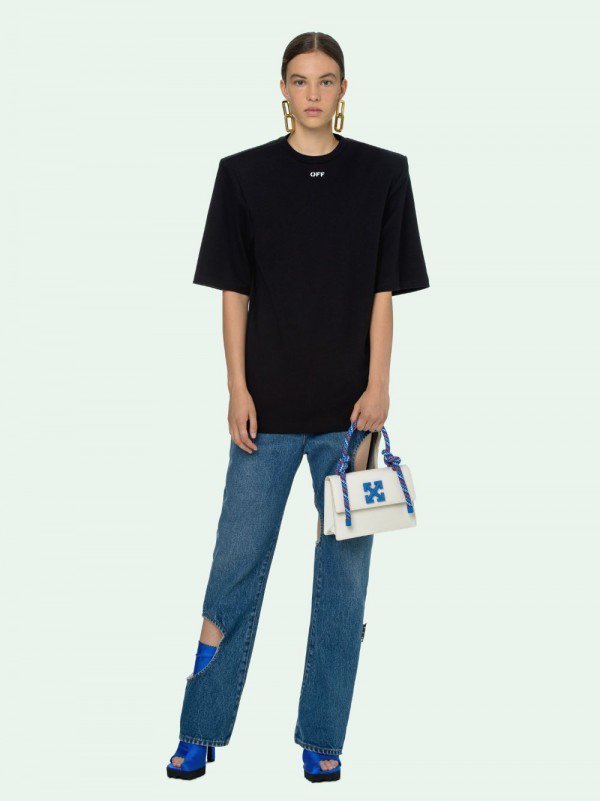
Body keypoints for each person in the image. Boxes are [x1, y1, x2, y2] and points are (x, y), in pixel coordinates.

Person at [167, 30, 430, 783]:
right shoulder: (243, 175)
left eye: (326, 79)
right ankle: (199, 729)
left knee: (343, 584)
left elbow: (383, 294)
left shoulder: (383, 174)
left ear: (344, 89)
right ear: (282, 89)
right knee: (233, 571)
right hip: (266, 414)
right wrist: (237, 388)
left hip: (352, 421)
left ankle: (322, 736)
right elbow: (233, 293)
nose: (313, 93)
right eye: (300, 79)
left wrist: (379, 387)